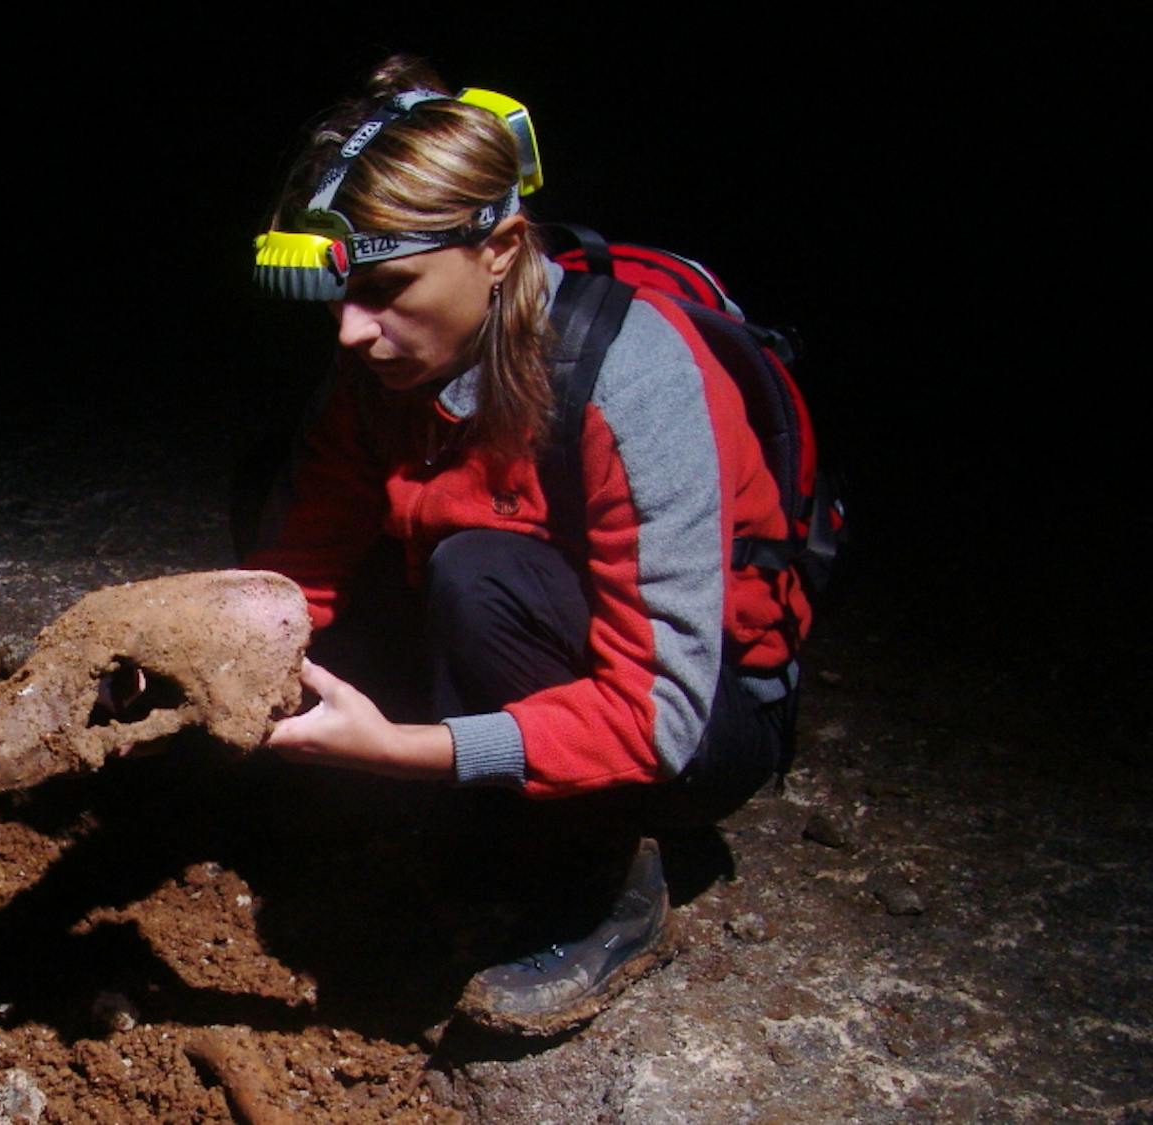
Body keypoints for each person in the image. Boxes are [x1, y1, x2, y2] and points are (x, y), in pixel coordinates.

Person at [241, 56, 808, 1036]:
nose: (350, 331)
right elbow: (307, 562)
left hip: (695, 722)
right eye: (338, 298)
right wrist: (211, 659)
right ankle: (471, 813)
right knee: (269, 493)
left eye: (386, 288)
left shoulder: (631, 378)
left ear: (499, 247)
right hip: (542, 643)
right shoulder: (379, 376)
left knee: (478, 570)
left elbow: (657, 719)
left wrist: (399, 752)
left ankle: (604, 878)